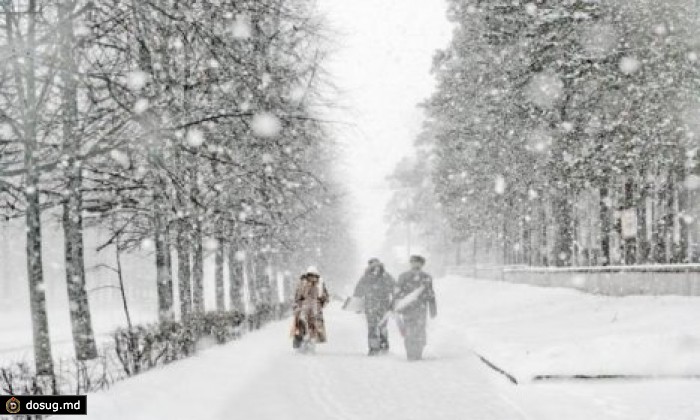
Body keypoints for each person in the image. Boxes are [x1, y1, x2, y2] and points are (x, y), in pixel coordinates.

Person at [394, 255, 437, 361]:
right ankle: (410, 353)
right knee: (409, 331)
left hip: (421, 308)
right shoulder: (403, 276)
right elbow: (397, 292)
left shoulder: (427, 277)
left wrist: (433, 309)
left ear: (422, 264)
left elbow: (430, 293)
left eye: (418, 262)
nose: (415, 264)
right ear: (410, 263)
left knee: (420, 331)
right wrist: (395, 306)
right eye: (413, 262)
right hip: (407, 309)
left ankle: (418, 353)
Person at [353, 258, 395, 356]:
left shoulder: (385, 277)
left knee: (380, 327)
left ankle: (380, 347)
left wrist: (394, 303)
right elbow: (358, 291)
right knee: (375, 327)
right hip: (373, 305)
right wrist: (356, 305)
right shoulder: (367, 277)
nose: (374, 267)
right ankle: (376, 348)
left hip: (381, 305)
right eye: (372, 265)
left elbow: (394, 289)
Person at [292, 266, 329, 351]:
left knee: (305, 327)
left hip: (309, 309)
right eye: (311, 276)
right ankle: (305, 343)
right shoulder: (309, 283)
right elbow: (325, 297)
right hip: (310, 309)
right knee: (307, 327)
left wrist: (297, 305)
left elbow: (298, 296)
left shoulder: (306, 283)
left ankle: (305, 343)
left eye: (314, 276)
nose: (313, 278)